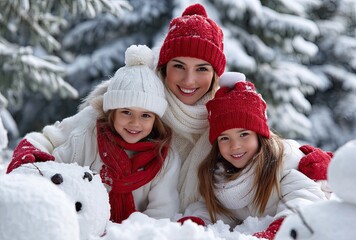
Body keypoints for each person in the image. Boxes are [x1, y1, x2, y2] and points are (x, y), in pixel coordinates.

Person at [155, 3, 332, 213]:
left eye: (202, 68)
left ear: (215, 76)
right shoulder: (140, 112)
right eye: (178, 66)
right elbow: (212, 207)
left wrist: (307, 159)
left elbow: (273, 150)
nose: (189, 80)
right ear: (164, 68)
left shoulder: (220, 112)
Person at [6, 45, 180, 224]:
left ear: (155, 119)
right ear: (112, 112)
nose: (135, 122)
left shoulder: (163, 158)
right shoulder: (86, 138)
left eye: (145, 115)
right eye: (126, 112)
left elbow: (161, 213)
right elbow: (55, 176)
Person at [182, 73, 328, 239]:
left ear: (260, 136)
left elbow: (304, 200)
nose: (235, 145)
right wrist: (195, 224)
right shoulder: (220, 177)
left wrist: (279, 231)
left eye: (243, 134)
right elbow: (216, 210)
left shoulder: (283, 164)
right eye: (224, 138)